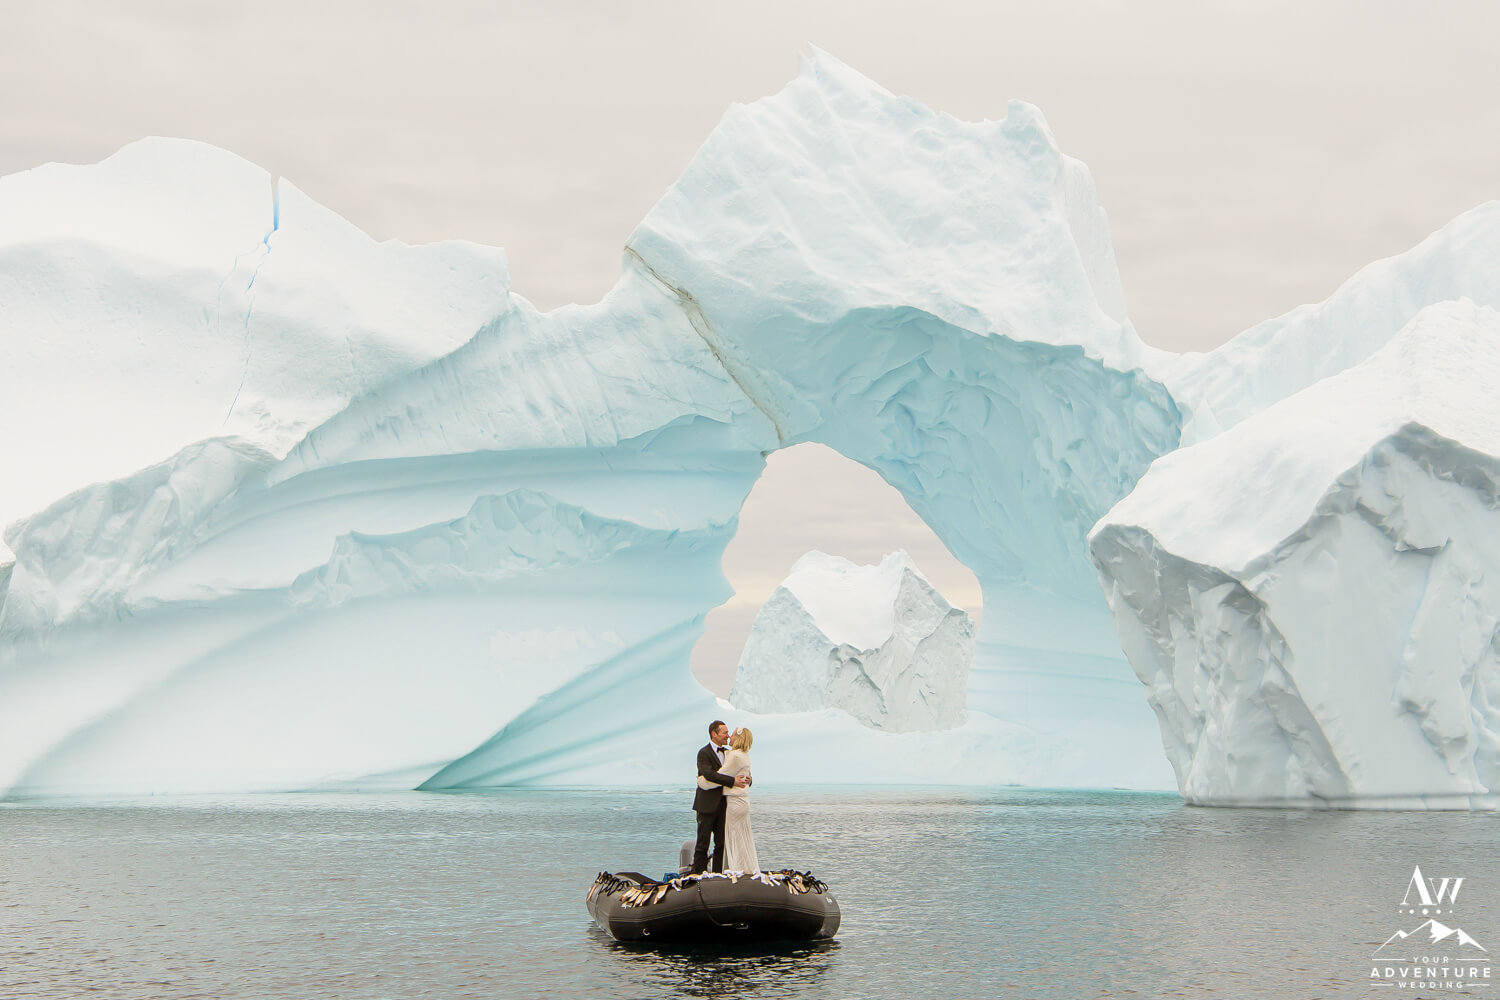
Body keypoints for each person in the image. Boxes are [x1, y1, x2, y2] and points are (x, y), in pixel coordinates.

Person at [690, 720, 749, 874]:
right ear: (714, 734)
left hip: (724, 806)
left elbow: (741, 771)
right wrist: (732, 781)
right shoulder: (704, 753)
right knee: (703, 843)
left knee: (721, 844)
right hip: (706, 805)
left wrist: (748, 779)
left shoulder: (729, 753)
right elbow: (709, 775)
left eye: (728, 733)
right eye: (724, 733)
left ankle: (717, 874)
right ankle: (697, 874)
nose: (727, 736)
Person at [721, 727, 759, 873]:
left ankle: (737, 868)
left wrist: (703, 780)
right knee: (743, 836)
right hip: (743, 801)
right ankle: (746, 868)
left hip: (735, 801)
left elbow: (721, 775)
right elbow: (746, 775)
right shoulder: (744, 754)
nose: (729, 737)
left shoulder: (735, 755)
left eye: (732, 735)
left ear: (738, 738)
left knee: (735, 836)